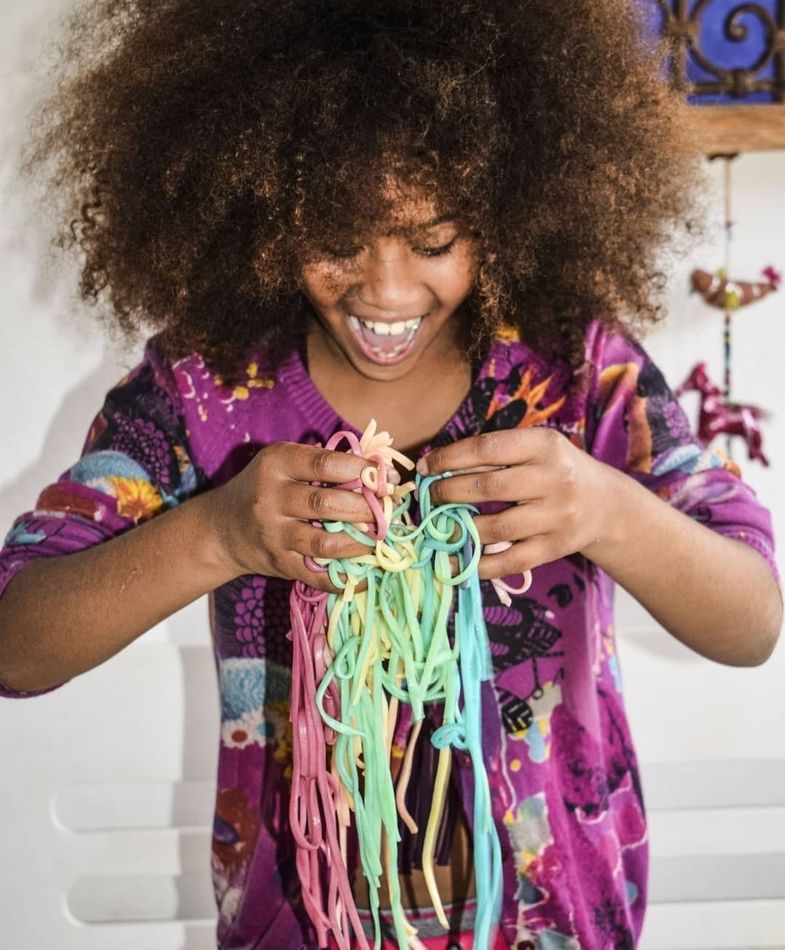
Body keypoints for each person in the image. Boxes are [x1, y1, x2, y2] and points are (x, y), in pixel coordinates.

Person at [0, 0, 781, 947]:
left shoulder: (577, 377)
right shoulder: (200, 391)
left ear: (507, 209)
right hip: (298, 925)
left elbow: (752, 621)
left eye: (434, 241)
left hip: (557, 921)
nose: (387, 290)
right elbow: (16, 645)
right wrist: (219, 533)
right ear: (259, 205)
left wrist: (608, 510)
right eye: (336, 237)